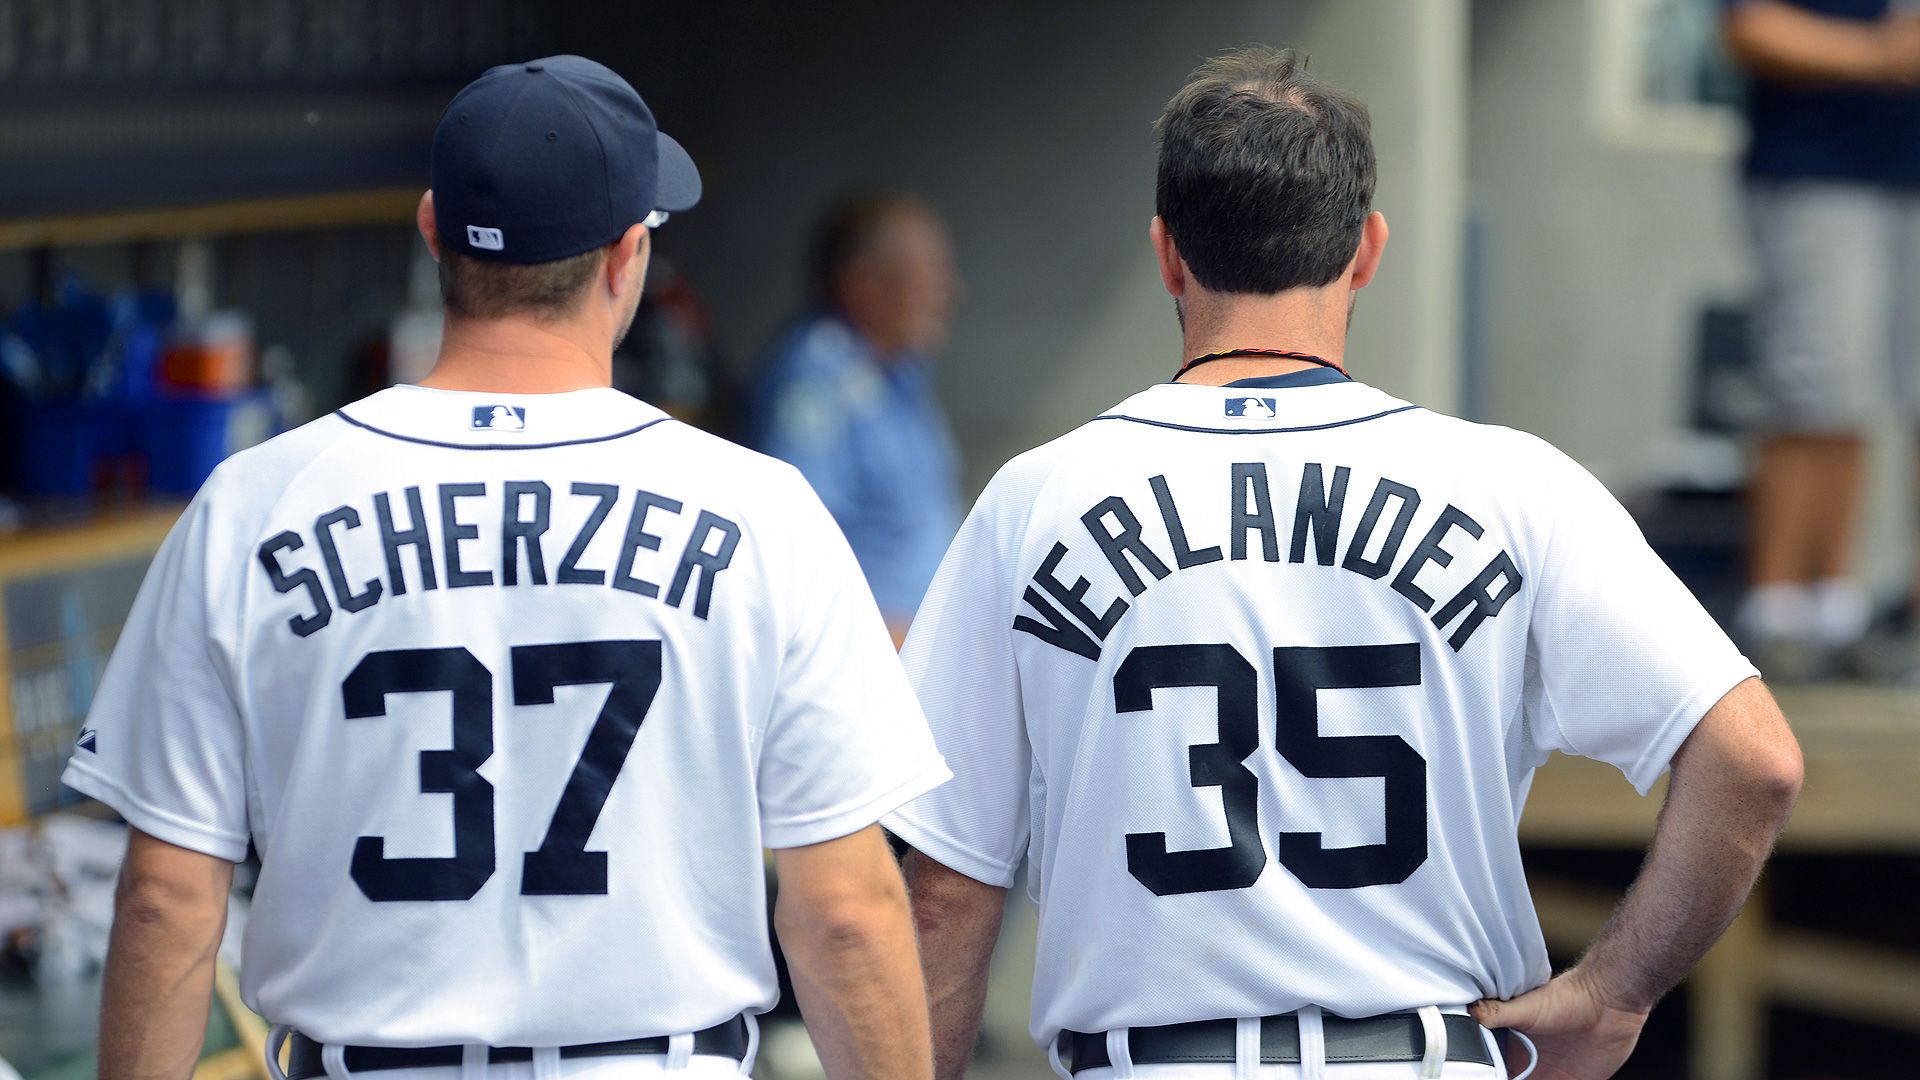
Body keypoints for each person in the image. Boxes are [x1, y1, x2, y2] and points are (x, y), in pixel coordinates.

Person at [888, 47, 1804, 1080]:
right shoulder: (1510, 485)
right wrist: (1611, 990)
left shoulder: (1037, 500)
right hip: (1424, 1056)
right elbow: (1754, 759)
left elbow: (944, 889)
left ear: (1166, 254)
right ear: (1366, 251)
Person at [62, 56, 947, 1080]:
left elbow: (167, 898)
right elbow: (843, 910)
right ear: (627, 257)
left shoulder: (256, 503)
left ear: (433, 229)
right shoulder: (759, 511)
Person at [1723, 0, 1920, 673]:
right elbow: (1750, 25)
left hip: (1904, 168)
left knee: (1867, 396)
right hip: (1822, 167)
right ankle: (1779, 606)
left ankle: (1841, 608)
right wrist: (1884, 55)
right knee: (1818, 388)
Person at [753, 193, 963, 643]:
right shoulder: (815, 379)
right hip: (870, 670)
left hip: (920, 669)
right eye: (925, 272)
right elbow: (794, 551)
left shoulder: (900, 372)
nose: (948, 291)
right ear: (863, 285)